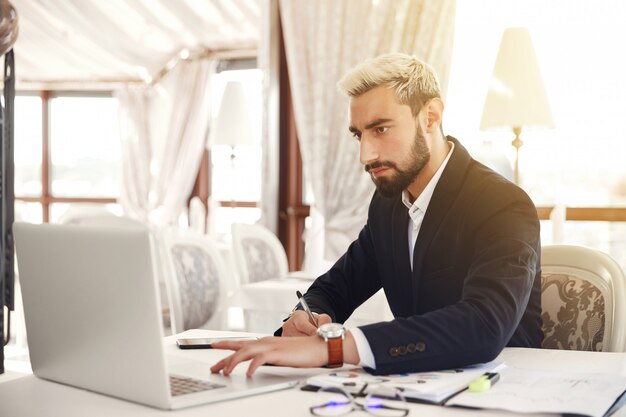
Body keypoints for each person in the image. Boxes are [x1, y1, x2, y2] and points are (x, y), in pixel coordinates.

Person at [210, 52, 543, 377]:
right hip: (417, 387)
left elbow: (482, 326)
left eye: (380, 129)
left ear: (430, 116)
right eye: (358, 134)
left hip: (502, 387)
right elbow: (337, 286)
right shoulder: (387, 206)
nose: (365, 155)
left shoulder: (503, 204)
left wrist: (335, 347)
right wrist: (307, 317)